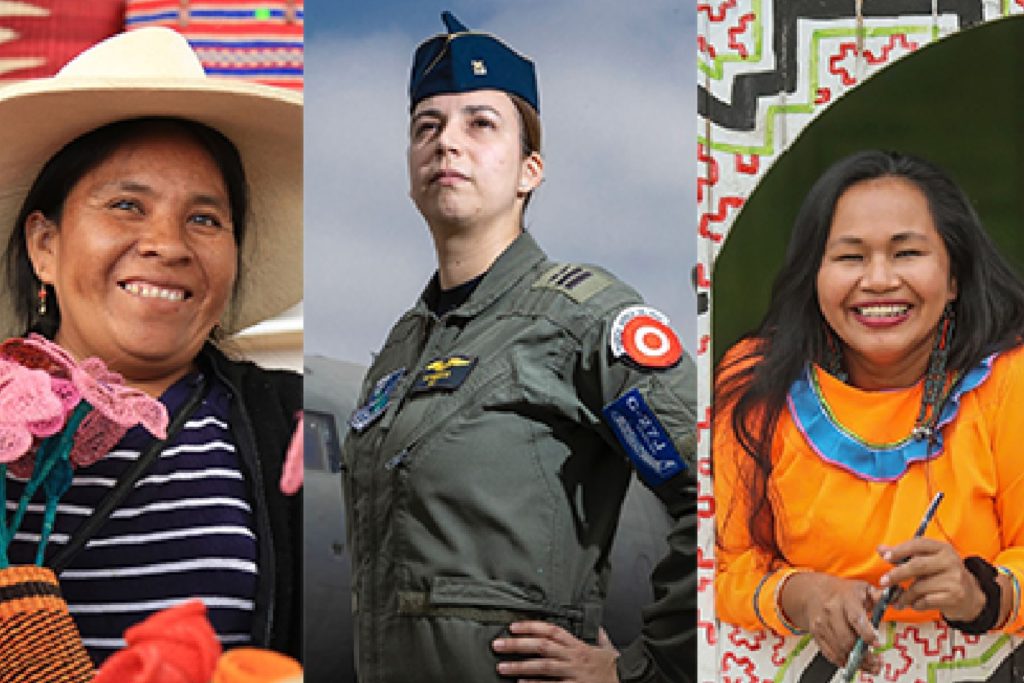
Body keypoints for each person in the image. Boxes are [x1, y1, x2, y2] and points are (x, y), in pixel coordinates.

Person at [341, 12, 697, 683]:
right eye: (427, 126)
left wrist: (643, 671)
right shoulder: (400, 351)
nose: (447, 142)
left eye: (481, 123)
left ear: (530, 169)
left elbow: (721, 491)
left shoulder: (584, 318)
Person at [0, 28, 303, 665]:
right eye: (126, 206)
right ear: (44, 246)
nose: (167, 244)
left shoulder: (299, 431)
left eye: (204, 219)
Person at [714, 150, 1024, 674]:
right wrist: (806, 595)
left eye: (906, 254)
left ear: (953, 279)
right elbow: (720, 570)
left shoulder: (1010, 377)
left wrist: (978, 594)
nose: (878, 281)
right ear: (814, 276)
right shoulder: (753, 381)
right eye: (851, 257)